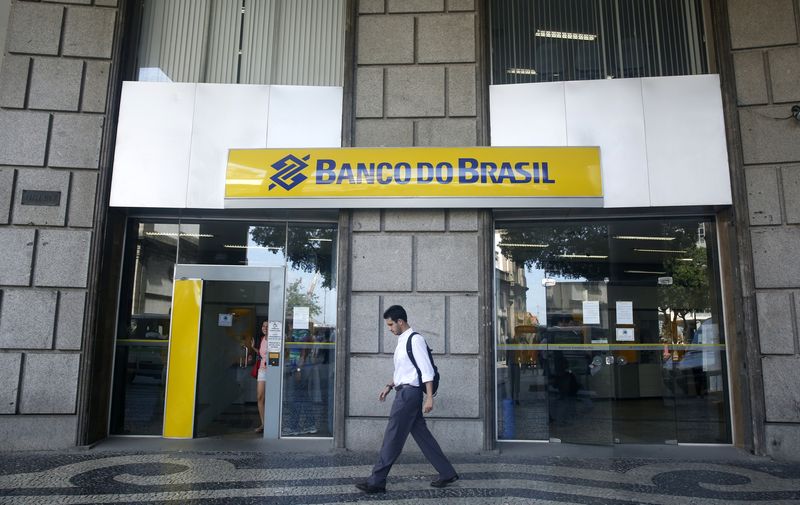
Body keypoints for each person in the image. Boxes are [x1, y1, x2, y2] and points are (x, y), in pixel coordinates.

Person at [355, 305, 458, 494]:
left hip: (409, 395)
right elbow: (403, 371)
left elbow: (426, 370)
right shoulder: (402, 341)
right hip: (404, 391)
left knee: (392, 437)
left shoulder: (415, 339)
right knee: (423, 436)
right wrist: (389, 386)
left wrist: (429, 398)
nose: (390, 328)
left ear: (400, 322)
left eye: (391, 324)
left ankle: (377, 481)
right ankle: (447, 472)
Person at [251, 320, 269, 434]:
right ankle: (263, 424)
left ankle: (272, 423)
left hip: (273, 371)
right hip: (262, 370)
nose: (265, 328)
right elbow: (261, 354)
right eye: (263, 325)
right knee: (260, 397)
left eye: (267, 326)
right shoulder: (262, 339)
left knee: (271, 398)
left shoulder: (275, 339)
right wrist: (253, 348)